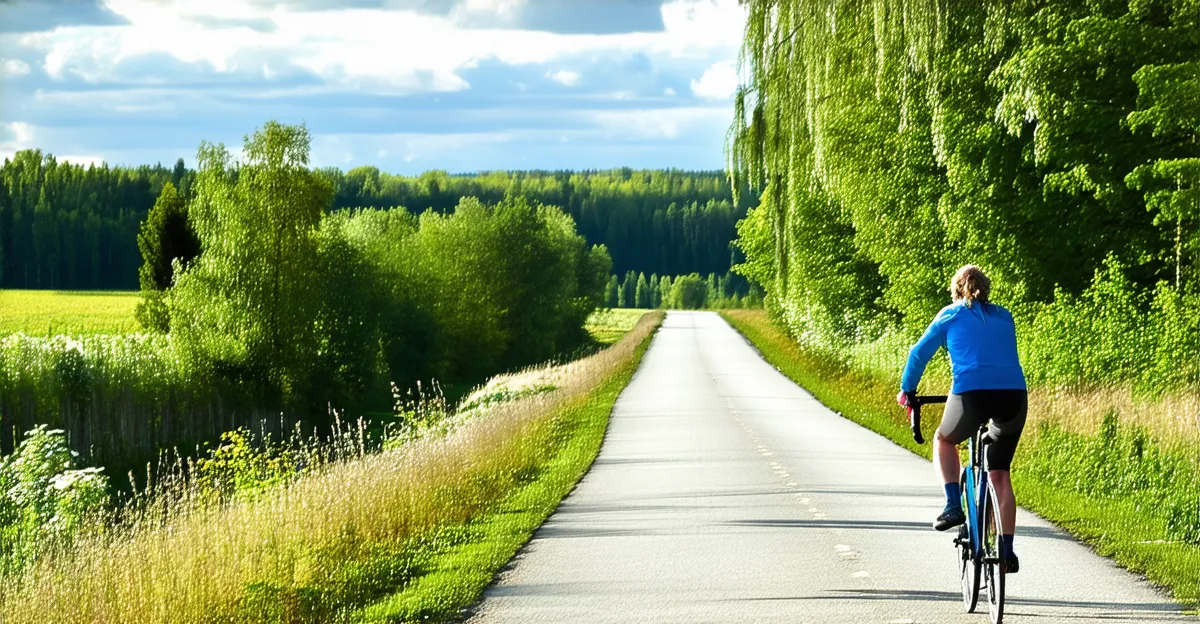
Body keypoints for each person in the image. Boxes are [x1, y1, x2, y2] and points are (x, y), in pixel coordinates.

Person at [896, 265, 1027, 573]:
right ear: (987, 289)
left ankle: (954, 505)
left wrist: (907, 391)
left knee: (944, 439)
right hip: (1013, 396)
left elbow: (918, 354)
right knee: (1000, 474)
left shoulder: (950, 315)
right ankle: (1006, 552)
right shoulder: (1004, 315)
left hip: (971, 393)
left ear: (956, 291)